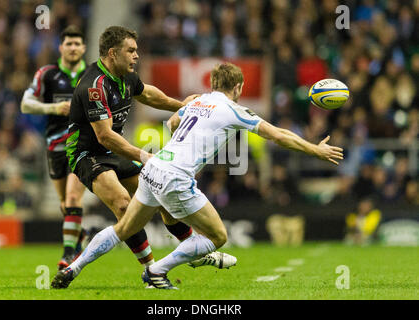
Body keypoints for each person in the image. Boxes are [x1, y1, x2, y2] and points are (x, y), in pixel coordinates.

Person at [52, 62, 343, 290]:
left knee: (124, 227)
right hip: (176, 177)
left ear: (213, 84)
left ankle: (73, 268)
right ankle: (156, 271)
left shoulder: (196, 102)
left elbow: (174, 120)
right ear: (238, 87)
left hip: (155, 168)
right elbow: (278, 135)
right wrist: (315, 150)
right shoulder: (234, 109)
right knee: (218, 236)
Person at [54, 25, 235, 280]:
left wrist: (181, 105)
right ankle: (151, 270)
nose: (136, 56)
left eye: (136, 50)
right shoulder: (93, 87)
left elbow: (147, 94)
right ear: (113, 53)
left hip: (113, 149)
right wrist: (143, 155)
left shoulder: (125, 75)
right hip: (87, 153)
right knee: (123, 204)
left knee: (162, 195)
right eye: (131, 51)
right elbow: (104, 135)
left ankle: (197, 253)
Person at [21, 26, 88, 270]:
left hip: (81, 145)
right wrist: (52, 108)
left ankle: (69, 254)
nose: (72, 48)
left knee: (73, 196)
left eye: (76, 44)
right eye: (68, 44)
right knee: (64, 203)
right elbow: (25, 104)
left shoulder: (91, 75)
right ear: (61, 48)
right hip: (55, 146)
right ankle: (79, 235)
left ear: (84, 48)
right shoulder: (47, 74)